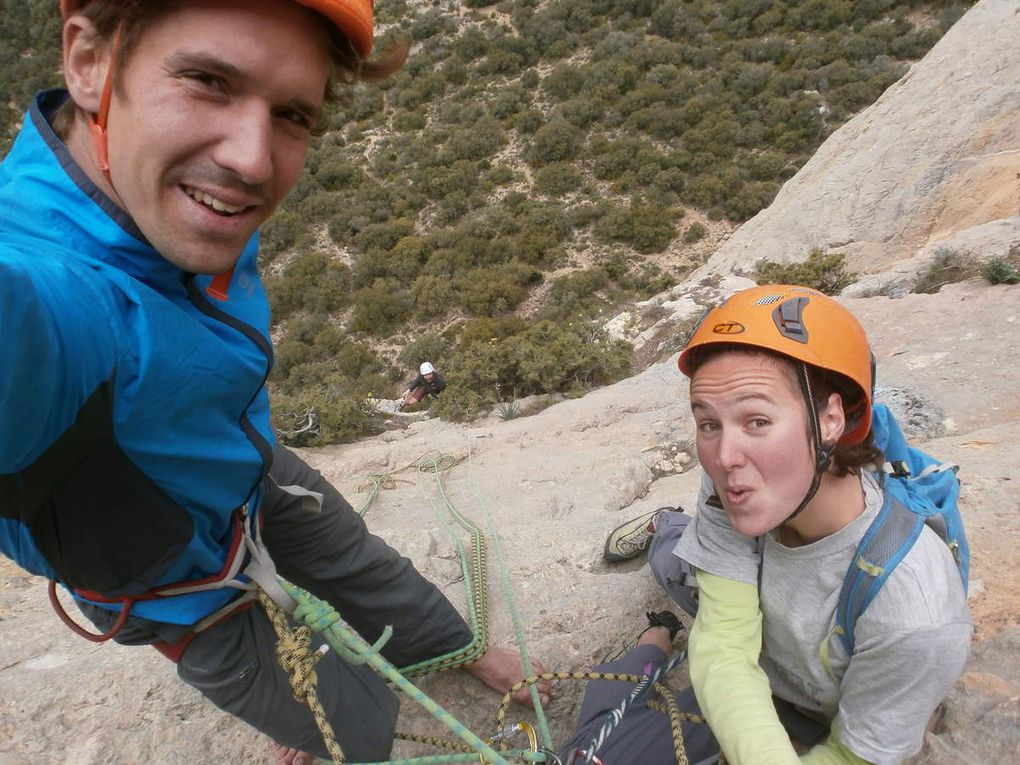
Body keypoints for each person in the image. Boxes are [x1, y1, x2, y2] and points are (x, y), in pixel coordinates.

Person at [0, 2, 546, 763]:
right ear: (89, 61)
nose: (254, 160)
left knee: (360, 562)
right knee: (350, 723)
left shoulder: (171, 195)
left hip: (246, 467)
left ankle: (456, 647)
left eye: (292, 114)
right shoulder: (48, 297)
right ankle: (335, 733)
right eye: (207, 80)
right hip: (175, 584)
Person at [601, 285, 971, 764]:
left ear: (831, 418)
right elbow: (725, 642)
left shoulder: (915, 615)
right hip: (758, 631)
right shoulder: (734, 486)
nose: (723, 457)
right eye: (708, 423)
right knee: (672, 559)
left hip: (818, 705)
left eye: (756, 421)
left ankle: (674, 530)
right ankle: (667, 526)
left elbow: (855, 754)